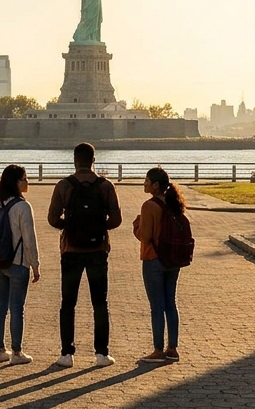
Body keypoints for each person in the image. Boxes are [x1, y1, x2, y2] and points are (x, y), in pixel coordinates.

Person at [47, 142, 122, 367]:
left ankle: (67, 354)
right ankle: (101, 354)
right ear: (93, 160)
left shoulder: (64, 185)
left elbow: (52, 219)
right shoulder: (105, 186)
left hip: (71, 250)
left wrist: (69, 226)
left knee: (68, 302)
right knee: (100, 302)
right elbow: (116, 220)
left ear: (74, 160)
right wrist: (99, 228)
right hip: (98, 251)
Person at [133, 167, 186, 364]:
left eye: (147, 180)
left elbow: (145, 238)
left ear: (155, 185)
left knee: (157, 306)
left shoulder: (149, 206)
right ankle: (172, 348)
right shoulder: (174, 203)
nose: (144, 183)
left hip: (153, 260)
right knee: (170, 303)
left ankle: (157, 349)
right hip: (172, 260)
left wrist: (136, 226)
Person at [0, 165, 40, 365]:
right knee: (17, 307)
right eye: (24, 179)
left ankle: (0, 350)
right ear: (16, 183)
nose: (27, 182)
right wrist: (35, 265)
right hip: (18, 262)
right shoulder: (23, 207)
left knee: (0, 305)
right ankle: (17, 352)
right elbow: (29, 239)